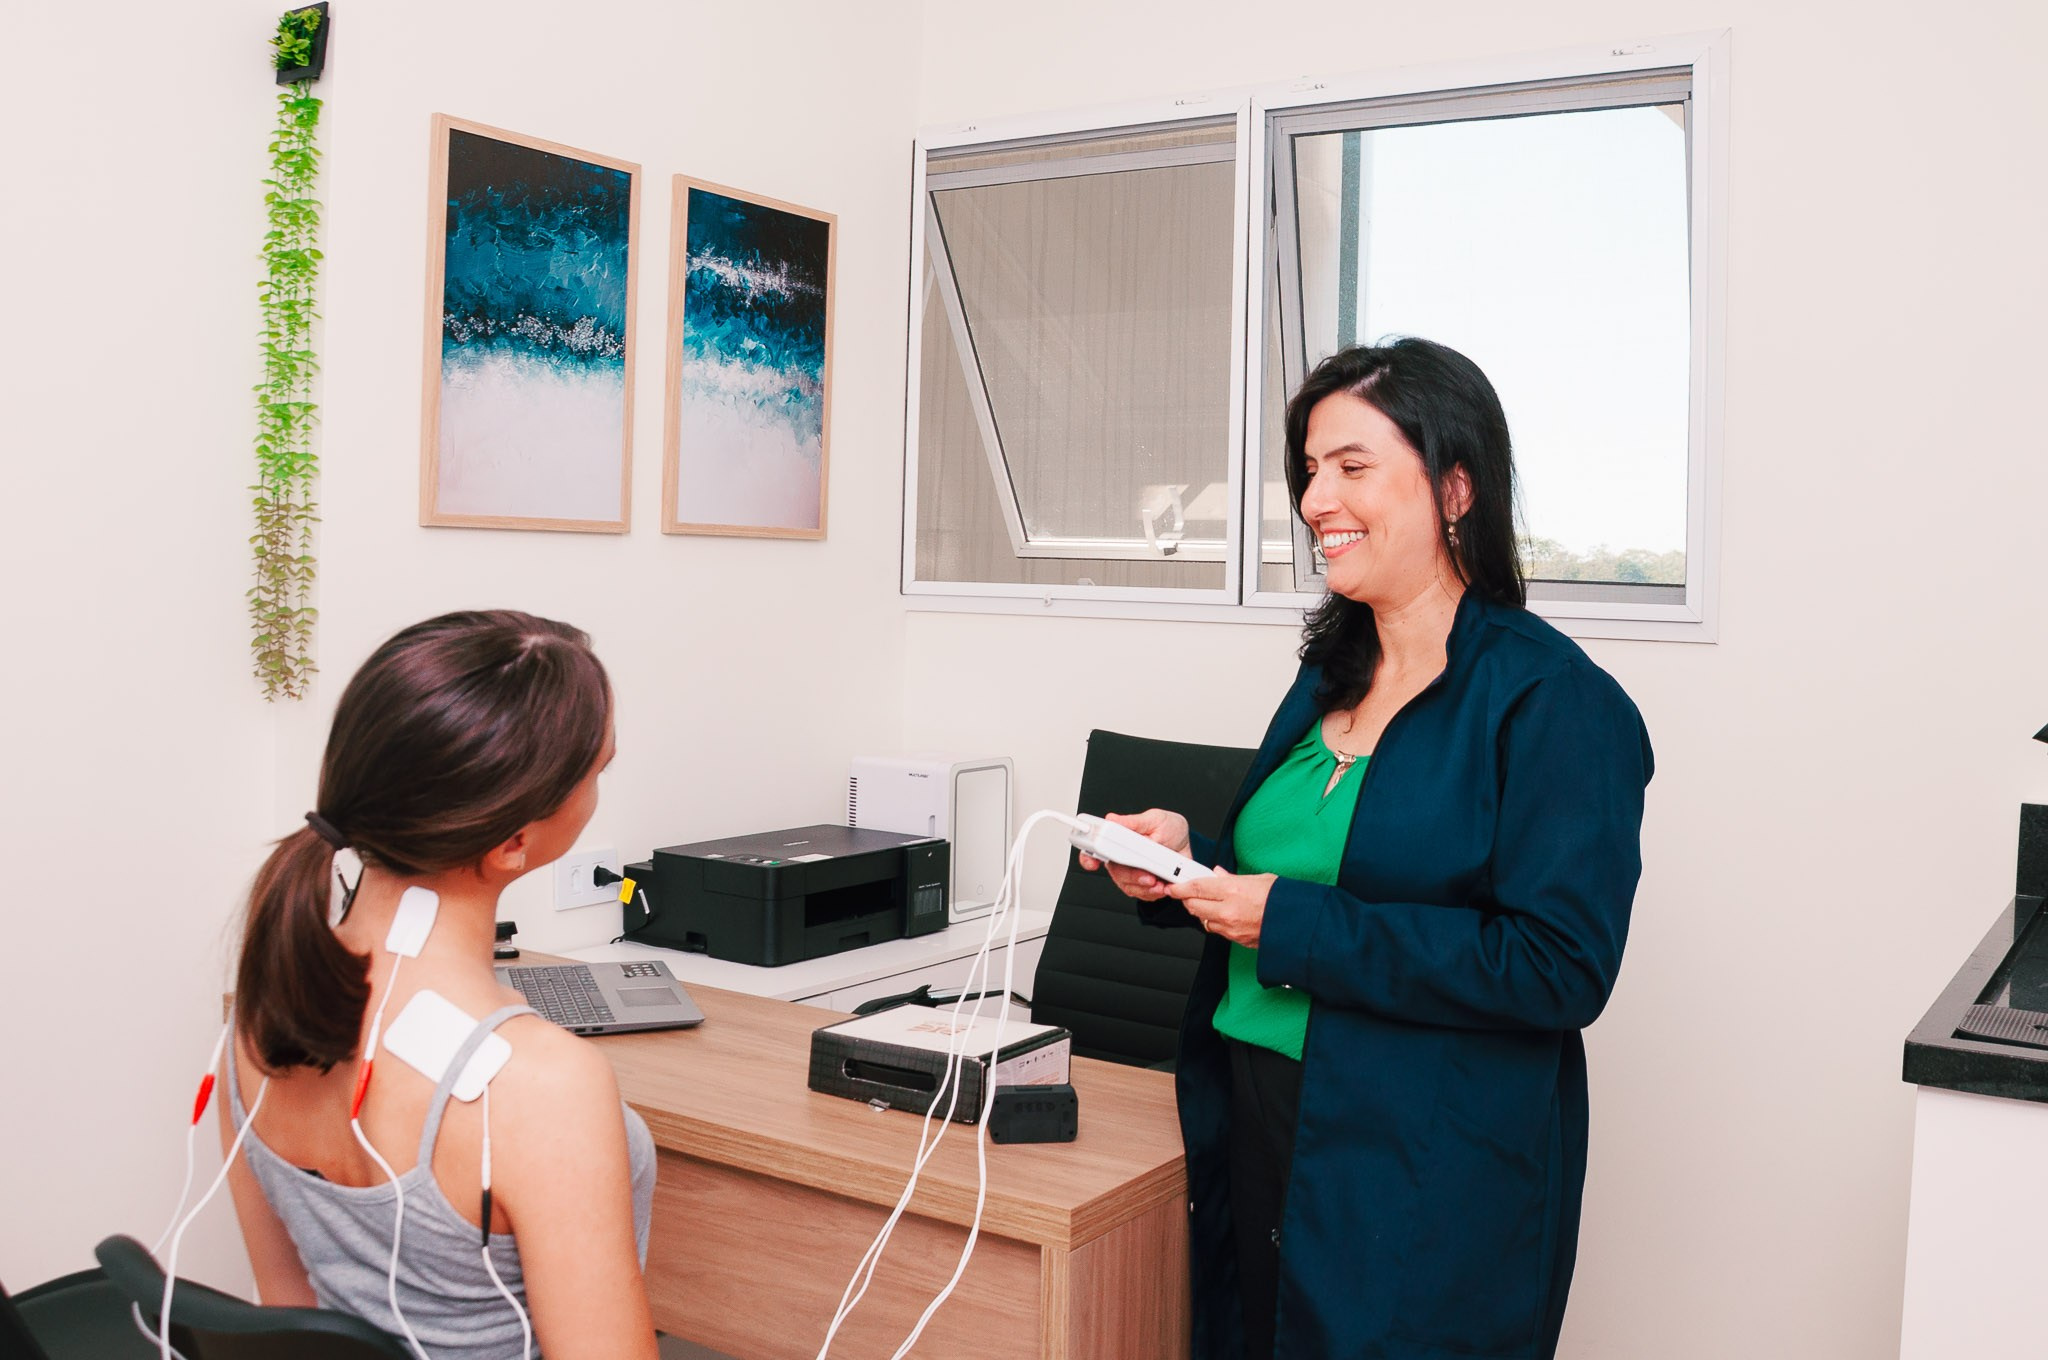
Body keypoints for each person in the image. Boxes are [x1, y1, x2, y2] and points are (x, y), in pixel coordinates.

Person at [1085, 340, 1653, 1360]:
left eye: (1349, 467)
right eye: (1307, 470)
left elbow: (1557, 968)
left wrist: (1288, 923)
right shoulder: (1327, 677)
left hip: (1415, 1160)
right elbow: (1325, 872)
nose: (1313, 499)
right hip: (1256, 1112)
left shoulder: (1553, 703)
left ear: (1453, 487)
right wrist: (1188, 862)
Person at [220, 610, 659, 1360]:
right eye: (598, 772)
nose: (598, 790)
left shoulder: (263, 1018)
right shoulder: (543, 1085)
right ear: (514, 840)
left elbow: (284, 1314)